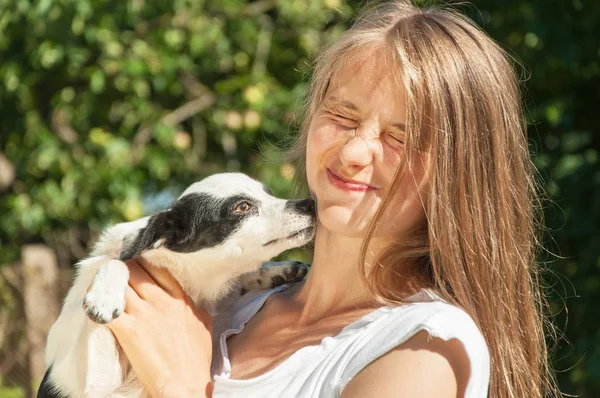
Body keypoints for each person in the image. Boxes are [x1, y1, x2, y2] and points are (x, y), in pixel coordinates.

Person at [107, 1, 560, 397]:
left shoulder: (424, 347)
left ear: (460, 176)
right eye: (342, 114)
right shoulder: (228, 301)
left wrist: (181, 389)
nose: (353, 152)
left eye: (400, 137)